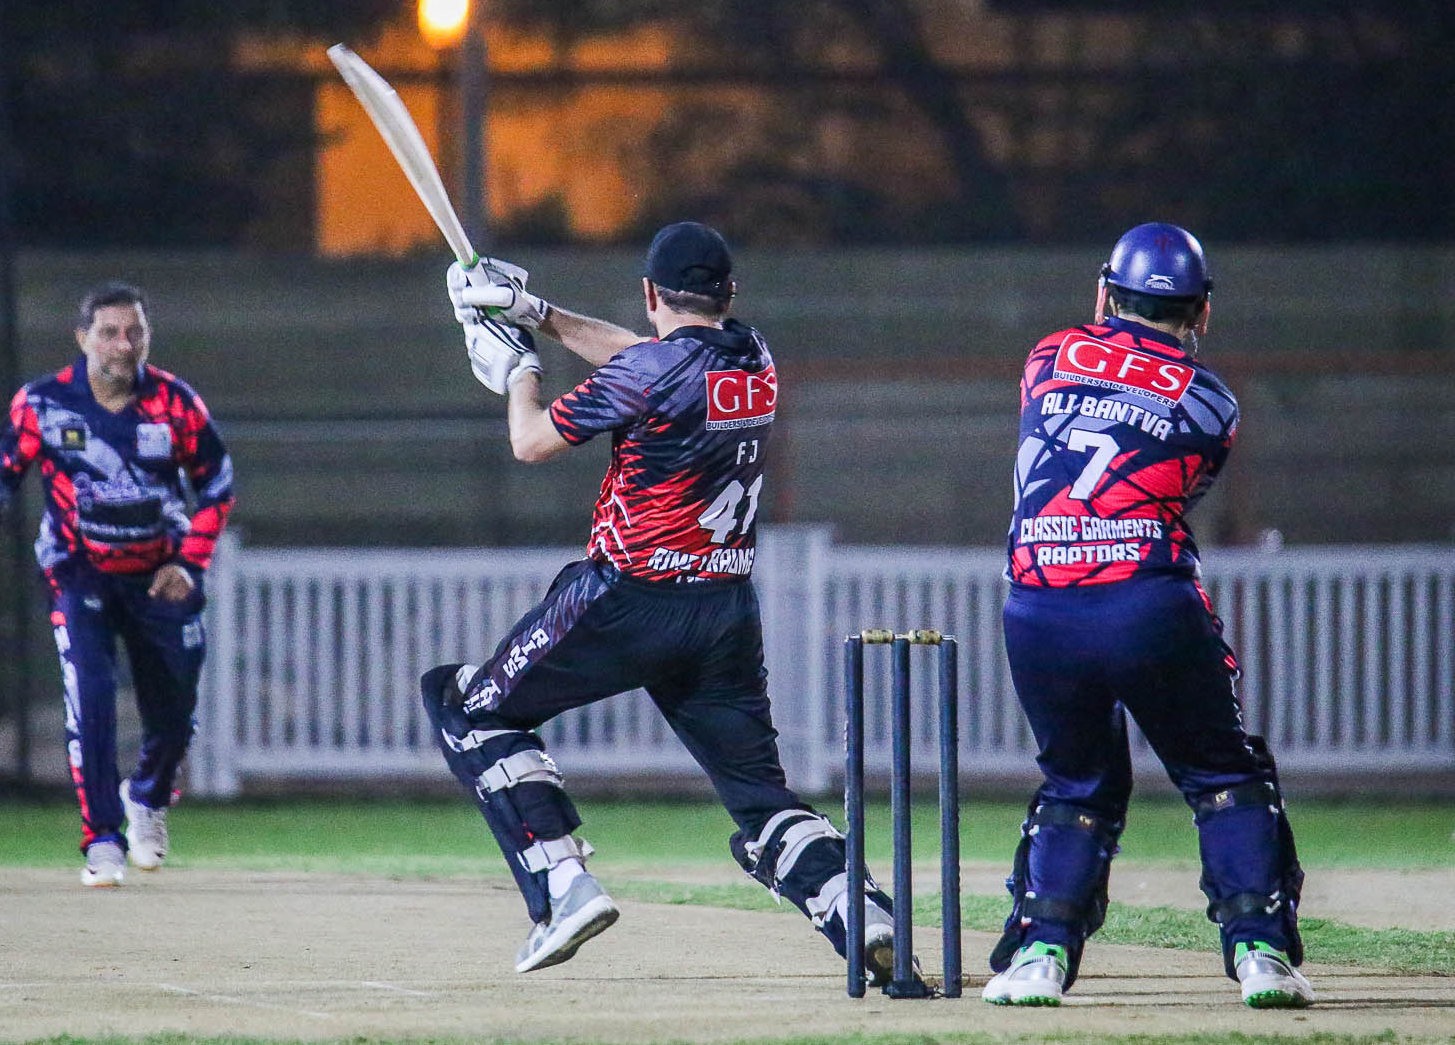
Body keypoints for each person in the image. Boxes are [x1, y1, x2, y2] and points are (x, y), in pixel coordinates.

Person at [430, 221, 910, 980]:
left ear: (650, 292)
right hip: (723, 607)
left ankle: (563, 887)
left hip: (630, 596)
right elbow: (643, 355)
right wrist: (536, 311)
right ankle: (859, 909)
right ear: (729, 294)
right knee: (760, 799)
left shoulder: (651, 370)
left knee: (467, 706)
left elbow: (531, 441)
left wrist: (518, 366)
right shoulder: (756, 356)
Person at [985, 223, 1312, 1008]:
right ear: (1202, 311)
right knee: (1222, 772)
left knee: (1077, 781)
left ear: (1105, 292)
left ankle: (1040, 954)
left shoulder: (1048, 355)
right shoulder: (1213, 400)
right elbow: (1177, 481)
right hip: (1146, 598)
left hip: (1038, 603)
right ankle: (1260, 951)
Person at [0, 282, 235, 889]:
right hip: (78, 572)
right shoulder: (43, 405)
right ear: (82, 339)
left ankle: (148, 796)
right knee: (90, 697)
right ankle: (103, 840)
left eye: (135, 332)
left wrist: (189, 564)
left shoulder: (175, 403)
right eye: (110, 333)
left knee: (175, 716)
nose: (124, 345)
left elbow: (218, 486)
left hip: (161, 577)